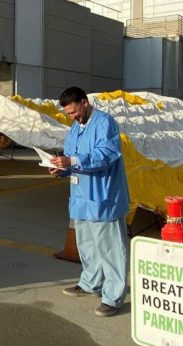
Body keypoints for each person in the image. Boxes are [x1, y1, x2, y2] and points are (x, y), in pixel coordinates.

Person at [50, 87, 130, 317]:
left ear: (84, 103)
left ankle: (113, 297)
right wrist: (60, 169)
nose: (72, 117)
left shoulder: (105, 123)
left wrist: (72, 160)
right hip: (81, 198)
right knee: (87, 245)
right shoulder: (75, 129)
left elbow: (106, 154)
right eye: (68, 114)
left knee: (111, 249)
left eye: (74, 112)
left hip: (103, 197)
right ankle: (90, 283)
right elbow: (71, 161)